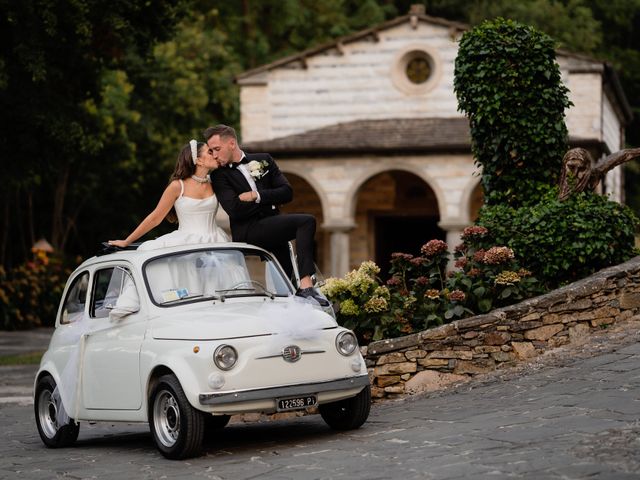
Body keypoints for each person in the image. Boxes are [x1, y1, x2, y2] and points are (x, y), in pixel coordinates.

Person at [204, 124, 328, 306]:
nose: (214, 155)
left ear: (231, 143)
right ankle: (306, 284)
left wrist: (257, 196)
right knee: (306, 221)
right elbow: (235, 209)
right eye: (211, 151)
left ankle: (294, 301)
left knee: (286, 285)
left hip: (272, 226)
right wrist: (270, 200)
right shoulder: (219, 176)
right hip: (249, 231)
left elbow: (287, 192)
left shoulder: (264, 160)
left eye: (217, 149)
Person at [109, 140, 229, 250]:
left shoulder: (215, 182)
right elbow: (155, 218)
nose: (215, 155)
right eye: (209, 152)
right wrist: (127, 241)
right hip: (186, 243)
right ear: (199, 160)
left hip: (216, 240)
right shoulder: (177, 186)